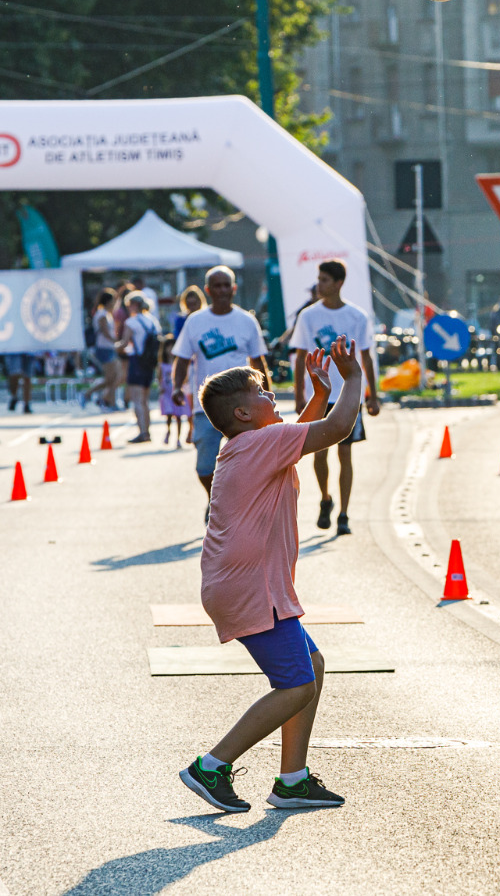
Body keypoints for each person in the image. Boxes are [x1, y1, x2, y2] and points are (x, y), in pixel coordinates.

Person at [179, 337, 362, 814]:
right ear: (242, 414)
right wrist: (353, 377)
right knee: (296, 684)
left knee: (311, 668)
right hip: (251, 588)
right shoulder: (262, 443)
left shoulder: (248, 444)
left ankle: (292, 780)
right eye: (263, 394)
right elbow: (338, 428)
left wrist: (319, 394)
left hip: (250, 584)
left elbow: (299, 436)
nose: (272, 396)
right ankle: (211, 766)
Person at [289, 260, 381, 537]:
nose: (320, 285)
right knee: (320, 452)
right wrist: (298, 395)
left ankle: (344, 514)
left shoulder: (357, 316)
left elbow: (366, 357)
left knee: (346, 452)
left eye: (325, 280)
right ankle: (325, 498)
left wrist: (372, 395)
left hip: (348, 394)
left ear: (339, 283)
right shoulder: (308, 316)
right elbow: (300, 357)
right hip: (319, 393)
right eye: (319, 279)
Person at [171, 266, 271, 511]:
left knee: (246, 463)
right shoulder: (196, 322)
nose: (223, 290)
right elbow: (182, 359)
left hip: (242, 405)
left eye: (227, 285)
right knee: (204, 467)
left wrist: (266, 394)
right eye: (217, 285)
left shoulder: (246, 321)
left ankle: (233, 507)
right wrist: (176, 387)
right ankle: (215, 498)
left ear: (234, 288)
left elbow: (258, 362)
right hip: (206, 405)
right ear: (208, 290)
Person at [119, 292, 161, 443]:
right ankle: (147, 431)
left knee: (137, 400)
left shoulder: (131, 322)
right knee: (145, 400)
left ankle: (142, 432)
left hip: (137, 362)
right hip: (150, 363)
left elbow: (124, 344)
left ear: (134, 305)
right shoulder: (153, 321)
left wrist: (114, 347)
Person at [84, 289, 122, 410]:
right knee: (110, 378)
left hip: (109, 348)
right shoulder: (102, 314)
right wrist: (118, 342)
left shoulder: (107, 314)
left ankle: (110, 402)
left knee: (114, 377)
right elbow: (106, 333)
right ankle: (88, 394)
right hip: (104, 348)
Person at [159, 336, 190, 445]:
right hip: (167, 393)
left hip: (177, 392)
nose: (170, 349)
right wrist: (160, 387)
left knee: (178, 416)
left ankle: (178, 438)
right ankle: (168, 432)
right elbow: (159, 378)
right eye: (168, 347)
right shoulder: (162, 364)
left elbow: (184, 376)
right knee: (168, 415)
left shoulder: (179, 363)